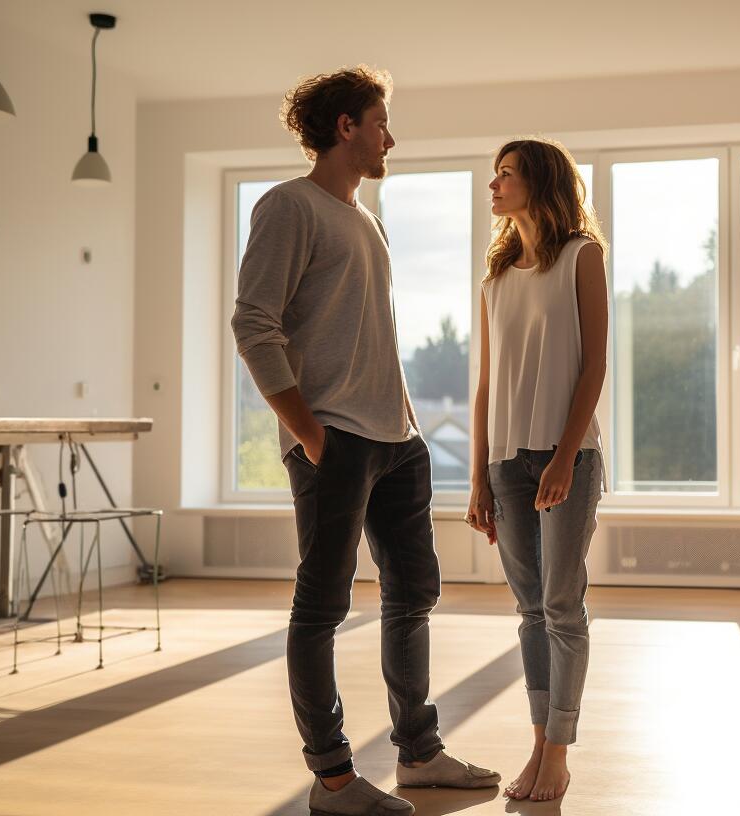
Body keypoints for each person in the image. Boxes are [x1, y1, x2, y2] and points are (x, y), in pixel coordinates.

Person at [232, 65, 500, 816]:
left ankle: (418, 755)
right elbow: (254, 324)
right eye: (380, 121)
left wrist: (405, 429)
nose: (391, 136)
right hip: (336, 438)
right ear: (345, 126)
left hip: (396, 437)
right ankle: (333, 779)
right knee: (321, 606)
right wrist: (309, 433)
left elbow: (366, 335)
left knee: (414, 593)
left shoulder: (367, 220)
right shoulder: (290, 206)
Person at [466, 137, 608, 802]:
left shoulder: (583, 256)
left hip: (566, 457)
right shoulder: (495, 277)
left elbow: (594, 366)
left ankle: (558, 750)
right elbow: (486, 385)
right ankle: (537, 740)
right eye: (494, 175)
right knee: (529, 611)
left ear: (539, 182)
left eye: (506, 175)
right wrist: (476, 478)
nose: (493, 185)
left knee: (561, 606)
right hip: (504, 464)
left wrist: (562, 455)